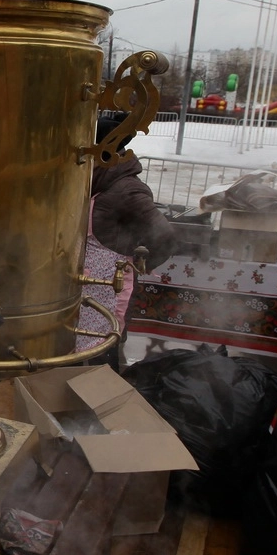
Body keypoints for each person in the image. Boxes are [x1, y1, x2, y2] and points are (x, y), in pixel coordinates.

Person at [80, 111, 176, 368]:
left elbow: (164, 235)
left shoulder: (127, 189)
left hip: (112, 288)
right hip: (87, 287)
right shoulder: (97, 183)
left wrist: (138, 264)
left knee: (104, 352)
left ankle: (105, 401)